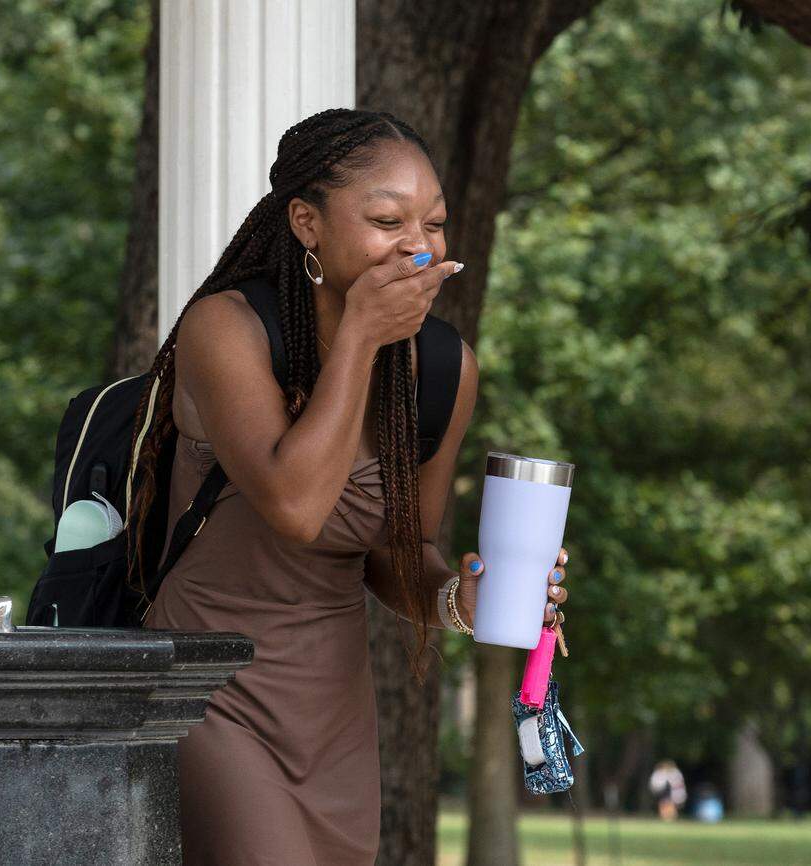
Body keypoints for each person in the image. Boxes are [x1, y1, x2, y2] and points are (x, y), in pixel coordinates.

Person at [134, 107, 574, 866]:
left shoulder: (441, 370)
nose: (418, 245)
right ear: (307, 222)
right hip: (207, 691)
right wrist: (364, 336)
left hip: (331, 712)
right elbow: (298, 507)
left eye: (434, 223)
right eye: (385, 219)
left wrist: (456, 600)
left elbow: (400, 553)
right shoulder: (227, 330)